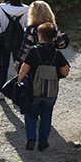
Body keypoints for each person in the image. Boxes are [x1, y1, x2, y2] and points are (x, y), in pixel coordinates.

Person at [17, 23, 70, 151]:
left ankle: (31, 138)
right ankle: (42, 143)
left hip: (34, 90)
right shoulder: (57, 54)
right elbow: (66, 71)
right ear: (53, 38)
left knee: (30, 113)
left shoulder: (34, 51)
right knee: (46, 115)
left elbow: (24, 69)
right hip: (50, 92)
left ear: (40, 36)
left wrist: (19, 82)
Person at [0, 0, 29, 99]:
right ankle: (23, 89)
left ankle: (1, 91)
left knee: (3, 66)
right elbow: (27, 26)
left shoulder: (1, 7)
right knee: (20, 66)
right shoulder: (26, 9)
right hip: (19, 41)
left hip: (3, 41)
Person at [14, 0, 70, 72]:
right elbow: (61, 44)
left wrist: (18, 62)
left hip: (35, 60)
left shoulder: (31, 28)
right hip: (51, 60)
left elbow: (25, 48)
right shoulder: (54, 26)